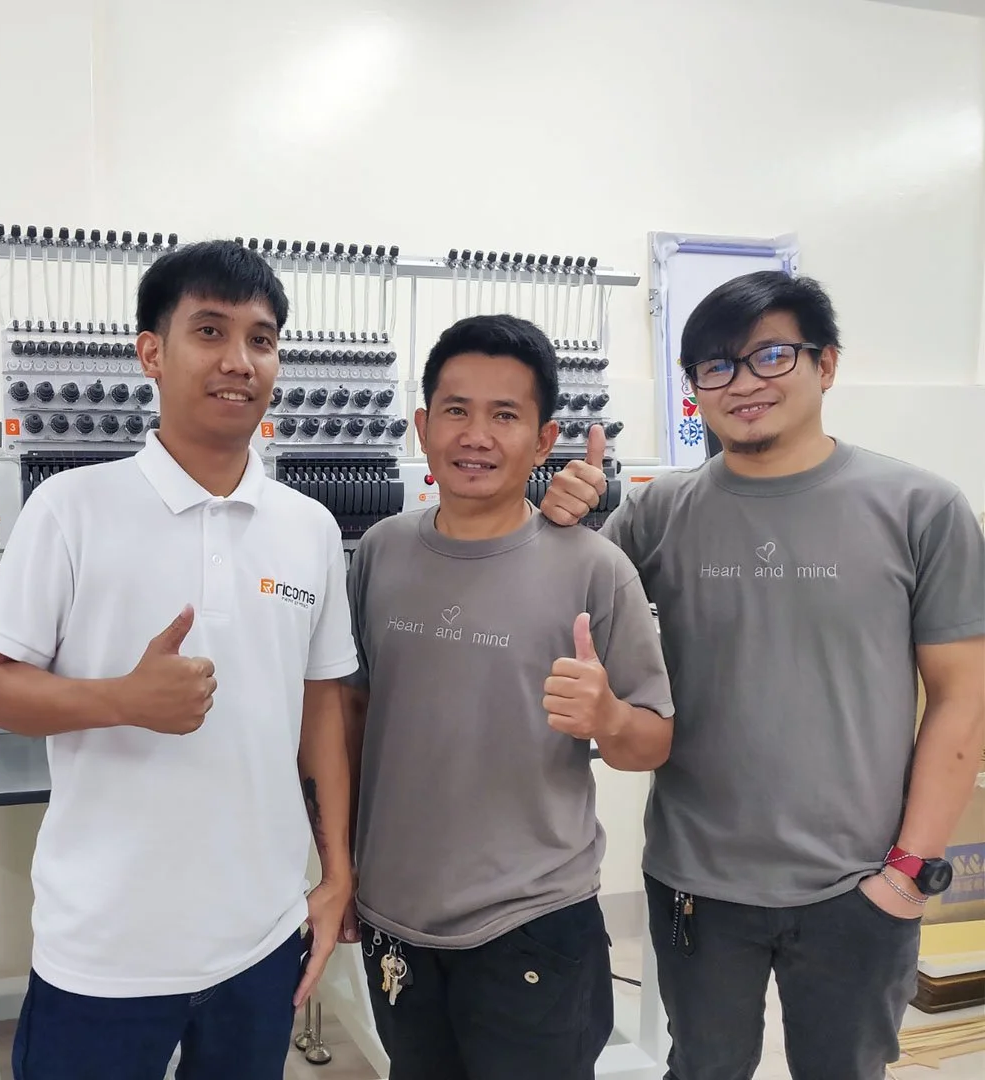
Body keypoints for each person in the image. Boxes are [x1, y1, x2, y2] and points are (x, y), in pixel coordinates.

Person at [540, 270, 985, 1080]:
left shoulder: (922, 508)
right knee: (703, 1070)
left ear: (828, 364)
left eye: (770, 356)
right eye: (716, 366)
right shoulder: (658, 514)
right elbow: (555, 615)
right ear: (694, 391)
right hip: (695, 887)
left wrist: (911, 872)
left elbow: (963, 698)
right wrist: (558, 516)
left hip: (858, 886)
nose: (743, 384)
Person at [0, 240, 358, 1080]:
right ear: (151, 351)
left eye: (260, 339)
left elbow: (321, 701)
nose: (238, 361)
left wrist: (337, 874)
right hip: (104, 950)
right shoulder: (70, 508)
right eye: (209, 331)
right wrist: (124, 699)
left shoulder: (310, 528)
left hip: (257, 942)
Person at [341, 313, 675, 1080]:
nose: (476, 435)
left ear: (544, 436)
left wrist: (608, 717)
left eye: (505, 415)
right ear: (423, 426)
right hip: (398, 917)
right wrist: (344, 867)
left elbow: (653, 739)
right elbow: (355, 713)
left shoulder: (594, 567)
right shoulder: (382, 552)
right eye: (456, 411)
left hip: (533, 924)